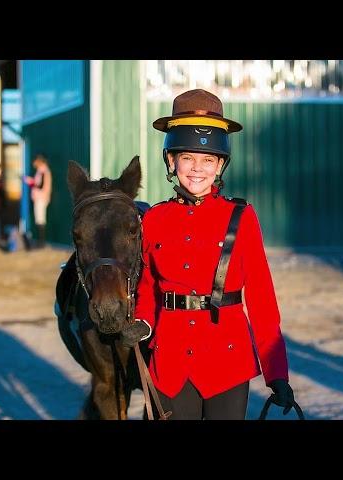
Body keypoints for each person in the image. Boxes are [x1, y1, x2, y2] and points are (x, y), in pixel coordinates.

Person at [120, 89, 297, 420]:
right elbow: (148, 286)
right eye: (187, 158)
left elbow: (261, 299)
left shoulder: (242, 217)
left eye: (207, 160)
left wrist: (277, 373)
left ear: (220, 166)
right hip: (170, 364)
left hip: (227, 362)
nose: (196, 169)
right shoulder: (154, 219)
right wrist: (143, 322)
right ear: (171, 161)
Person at [24, 154, 52, 248]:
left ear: (40, 161)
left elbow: (40, 185)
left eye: (35, 161)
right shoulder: (41, 171)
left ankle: (41, 243)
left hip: (41, 198)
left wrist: (30, 182)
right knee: (39, 219)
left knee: (40, 219)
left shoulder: (44, 171)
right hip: (39, 198)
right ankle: (41, 242)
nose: (34, 163)